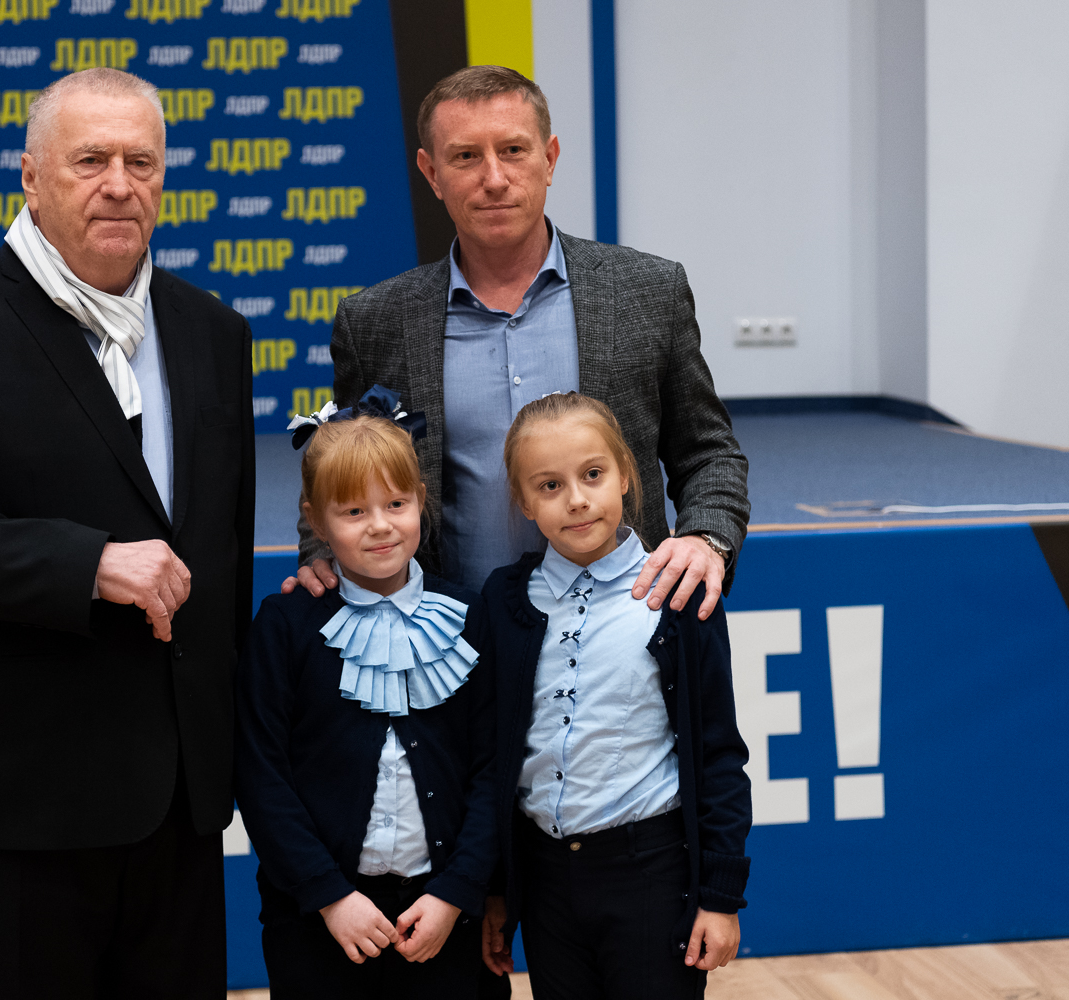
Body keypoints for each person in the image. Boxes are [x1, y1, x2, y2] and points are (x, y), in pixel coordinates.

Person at [0, 67, 253, 999]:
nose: (119, 184)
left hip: (179, 809)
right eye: (90, 161)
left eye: (140, 162)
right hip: (15, 808)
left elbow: (221, 549)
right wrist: (89, 564)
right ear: (32, 178)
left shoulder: (213, 331)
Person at [287, 64, 749, 626]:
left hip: (623, 630)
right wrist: (321, 553)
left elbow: (708, 453)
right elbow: (340, 468)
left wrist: (706, 538)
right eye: (465, 157)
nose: (495, 178)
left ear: (549, 159)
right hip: (449, 642)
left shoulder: (646, 292)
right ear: (431, 173)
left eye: (513, 150)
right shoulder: (375, 322)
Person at [476, 392, 752, 1000]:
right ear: (523, 501)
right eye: (549, 486)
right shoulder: (503, 601)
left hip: (652, 877)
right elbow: (490, 759)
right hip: (546, 887)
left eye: (593, 474)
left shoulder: (679, 594)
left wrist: (720, 897)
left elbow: (718, 755)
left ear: (626, 474)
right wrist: (496, 889)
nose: (576, 499)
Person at [234, 387, 497, 999]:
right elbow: (260, 772)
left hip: (444, 918)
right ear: (316, 519)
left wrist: (455, 893)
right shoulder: (284, 625)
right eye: (353, 511)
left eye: (396, 503)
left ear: (421, 500)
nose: (380, 525)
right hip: (318, 921)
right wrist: (329, 895)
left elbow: (493, 769)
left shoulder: (470, 617)